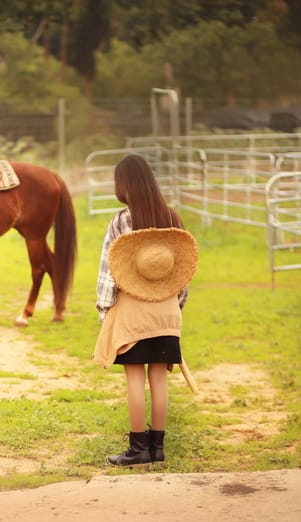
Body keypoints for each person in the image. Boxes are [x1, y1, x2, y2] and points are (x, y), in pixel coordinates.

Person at [93, 154, 199, 466]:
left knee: (135, 380)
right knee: (160, 379)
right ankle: (158, 449)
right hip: (167, 312)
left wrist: (104, 310)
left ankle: (138, 449)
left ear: (122, 185)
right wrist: (175, 307)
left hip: (133, 314)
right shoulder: (173, 218)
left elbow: (108, 273)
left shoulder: (121, 222)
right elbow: (183, 270)